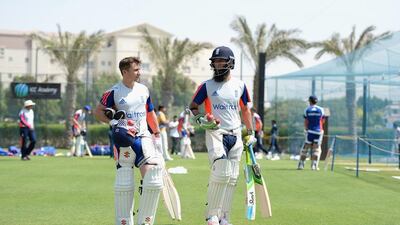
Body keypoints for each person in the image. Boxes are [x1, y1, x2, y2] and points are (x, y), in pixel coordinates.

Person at [189, 46, 256, 225]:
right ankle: (211, 215)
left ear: (230, 63)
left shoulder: (240, 85)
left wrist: (251, 133)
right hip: (215, 132)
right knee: (221, 172)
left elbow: (245, 110)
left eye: (222, 61)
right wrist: (201, 119)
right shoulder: (206, 86)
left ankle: (224, 216)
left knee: (232, 177)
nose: (218, 65)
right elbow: (193, 106)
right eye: (215, 62)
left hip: (235, 133)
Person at [94, 56, 164, 225]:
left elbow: (150, 113)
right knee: (124, 184)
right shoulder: (113, 92)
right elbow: (98, 112)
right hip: (123, 141)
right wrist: (113, 122)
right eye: (136, 70)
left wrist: (156, 133)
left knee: (153, 180)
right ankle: (124, 222)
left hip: (143, 137)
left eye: (139, 69)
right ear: (125, 72)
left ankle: (145, 222)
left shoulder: (144, 90)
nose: (139, 72)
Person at [298, 95, 325, 170]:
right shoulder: (321, 109)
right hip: (318, 131)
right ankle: (314, 165)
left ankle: (301, 164)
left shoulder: (307, 110)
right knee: (316, 148)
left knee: (305, 147)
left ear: (310, 101)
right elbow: (322, 121)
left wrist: (306, 129)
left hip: (310, 131)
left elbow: (306, 121)